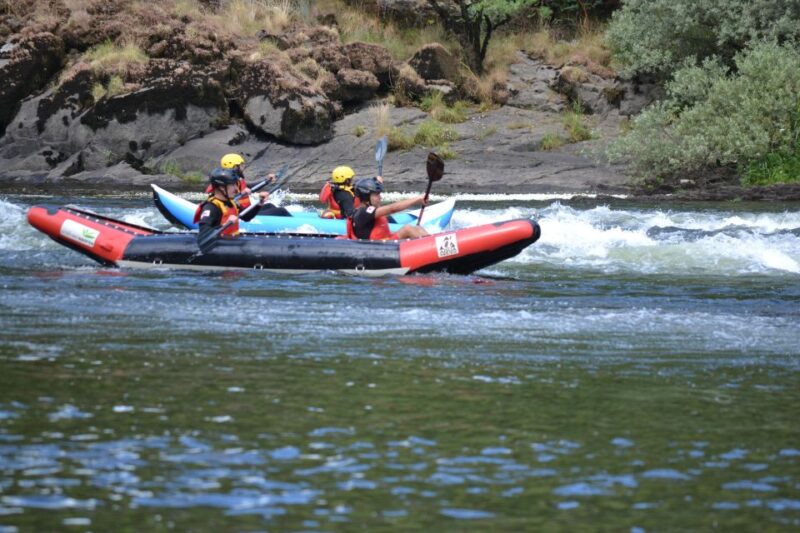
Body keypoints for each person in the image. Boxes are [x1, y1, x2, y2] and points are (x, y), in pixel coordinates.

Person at [194, 167, 271, 246]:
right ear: (222, 187)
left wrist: (259, 204)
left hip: (231, 244)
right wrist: (225, 225)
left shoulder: (232, 202)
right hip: (220, 249)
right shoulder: (211, 208)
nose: (236, 189)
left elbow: (246, 217)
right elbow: (203, 235)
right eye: (233, 185)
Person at [346, 177, 430, 240]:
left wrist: (376, 179)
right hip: (377, 249)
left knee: (418, 228)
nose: (380, 197)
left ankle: (433, 243)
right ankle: (432, 248)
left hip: (385, 241)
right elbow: (393, 209)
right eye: (376, 195)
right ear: (366, 197)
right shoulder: (363, 213)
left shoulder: (368, 210)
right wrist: (417, 199)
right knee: (407, 229)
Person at [216, 152, 291, 217]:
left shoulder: (236, 180)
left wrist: (267, 181)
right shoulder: (226, 183)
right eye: (241, 165)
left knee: (270, 206)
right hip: (240, 215)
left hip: (246, 211)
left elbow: (249, 188)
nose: (243, 167)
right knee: (281, 211)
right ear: (235, 167)